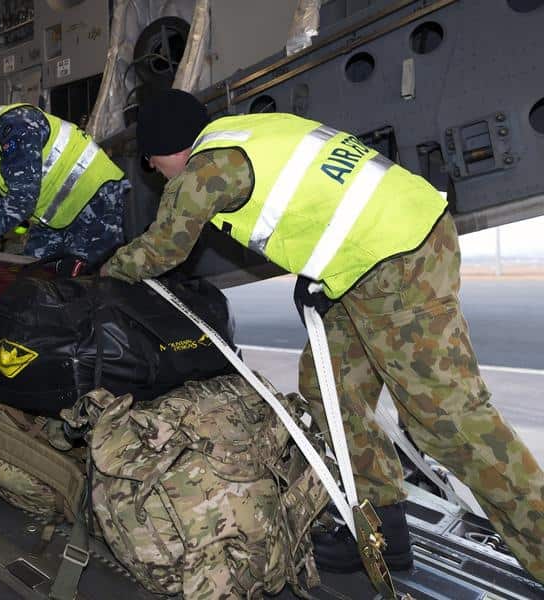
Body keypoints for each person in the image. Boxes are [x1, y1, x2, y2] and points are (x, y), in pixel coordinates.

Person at [99, 88, 544, 582]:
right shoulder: (257, 132)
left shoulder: (202, 173)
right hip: (380, 254)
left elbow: (162, 250)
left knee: (451, 426)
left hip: (397, 262)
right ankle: (382, 533)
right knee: (331, 385)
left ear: (166, 148)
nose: (155, 170)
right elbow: (322, 199)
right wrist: (319, 276)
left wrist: (104, 275)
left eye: (151, 161)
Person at [0, 78, 129, 265]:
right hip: (62, 214)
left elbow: (21, 200)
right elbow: (15, 193)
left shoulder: (15, 125)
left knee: (83, 284)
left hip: (95, 199)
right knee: (33, 278)